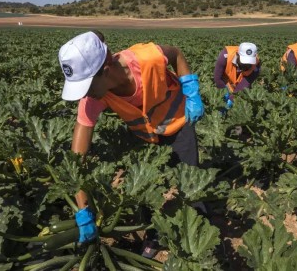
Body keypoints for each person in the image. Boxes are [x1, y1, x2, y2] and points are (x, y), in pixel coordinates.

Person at [58, 31, 204, 257]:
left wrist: (191, 89)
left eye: (86, 86)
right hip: (146, 135)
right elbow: (77, 158)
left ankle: (199, 222)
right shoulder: (93, 98)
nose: (83, 94)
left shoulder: (147, 59)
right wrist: (82, 210)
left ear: (105, 71)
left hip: (179, 123)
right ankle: (154, 233)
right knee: (143, 189)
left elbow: (175, 54)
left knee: (192, 182)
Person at [213, 42, 260, 115]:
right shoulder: (225, 55)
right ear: (237, 54)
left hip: (240, 85)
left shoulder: (256, 65)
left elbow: (244, 84)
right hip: (226, 81)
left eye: (249, 62)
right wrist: (223, 92)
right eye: (244, 61)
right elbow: (217, 78)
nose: (246, 64)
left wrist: (232, 99)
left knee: (240, 106)